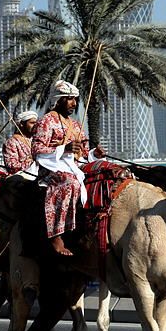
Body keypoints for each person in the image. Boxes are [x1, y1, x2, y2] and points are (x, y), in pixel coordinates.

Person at [32, 80, 103, 256]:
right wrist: (65, 149)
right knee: (68, 182)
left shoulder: (77, 125)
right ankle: (56, 234)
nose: (74, 103)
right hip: (51, 172)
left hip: (74, 168)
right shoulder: (46, 121)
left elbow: (83, 156)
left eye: (75, 99)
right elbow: (37, 150)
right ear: (59, 100)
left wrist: (95, 155)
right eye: (69, 99)